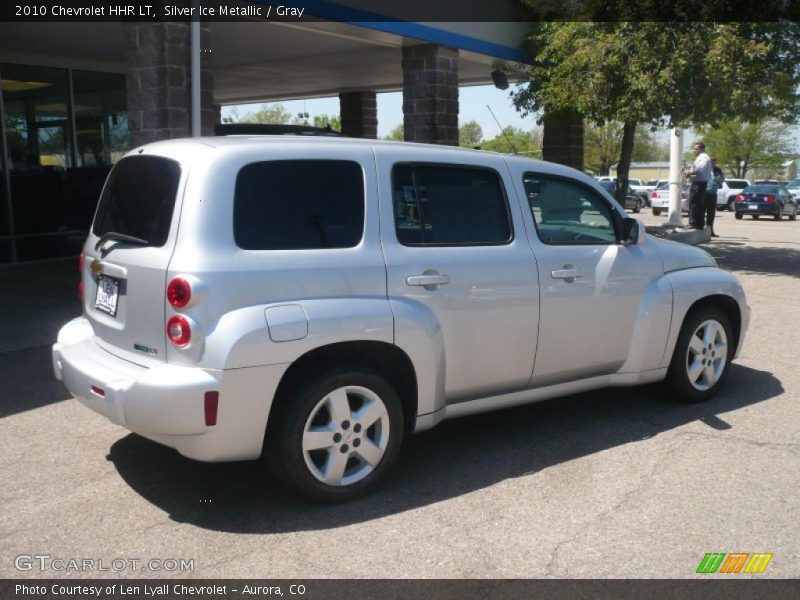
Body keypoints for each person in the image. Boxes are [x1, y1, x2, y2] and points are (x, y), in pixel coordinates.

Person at [686, 141, 712, 229]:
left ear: (702, 149)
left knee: (694, 203)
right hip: (698, 183)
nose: (694, 151)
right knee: (698, 204)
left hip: (699, 184)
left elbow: (700, 169)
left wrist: (689, 173)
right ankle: (698, 224)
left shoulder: (704, 158)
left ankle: (694, 223)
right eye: (694, 149)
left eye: (696, 149)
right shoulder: (700, 158)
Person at [705, 156, 725, 237]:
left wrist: (719, 179)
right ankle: (702, 230)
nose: (713, 163)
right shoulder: (705, 169)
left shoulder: (718, 169)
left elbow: (723, 180)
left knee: (711, 214)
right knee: (701, 213)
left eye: (714, 161)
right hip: (704, 193)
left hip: (713, 194)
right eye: (711, 161)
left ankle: (710, 231)